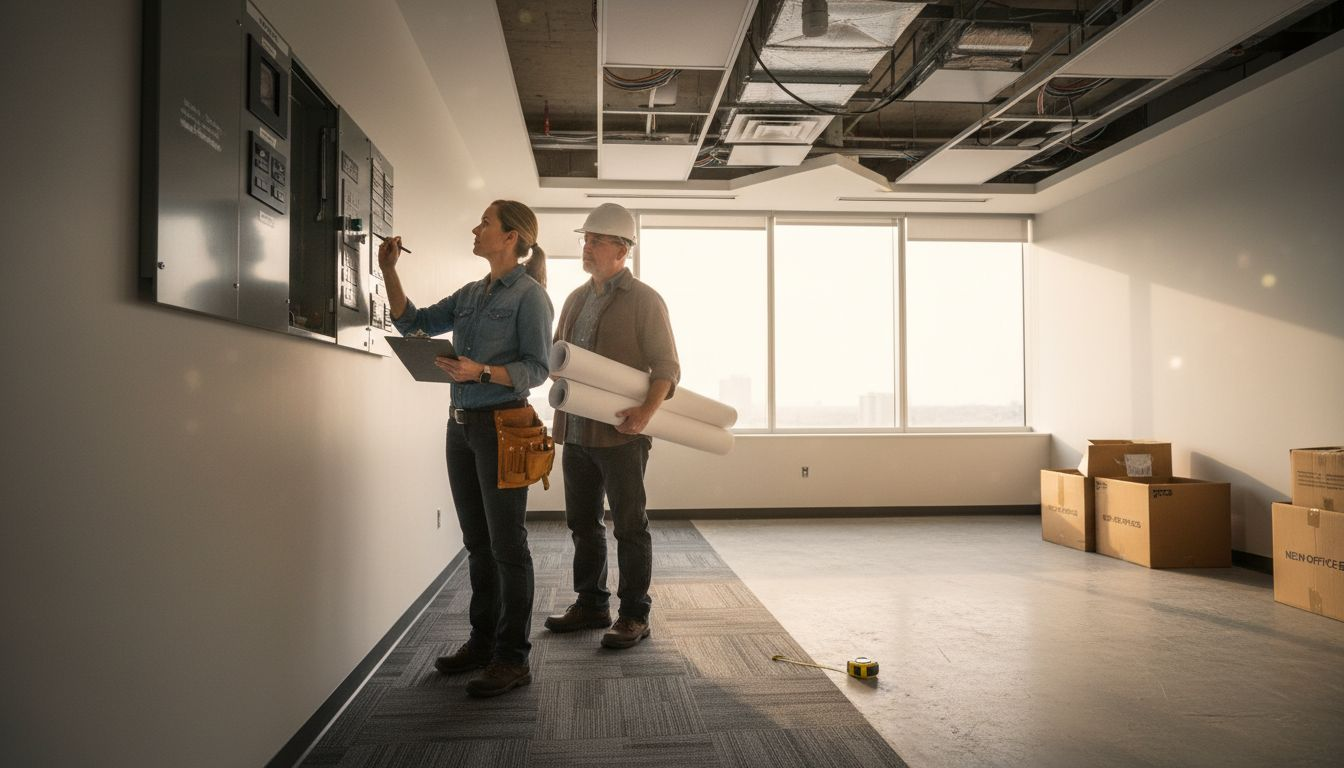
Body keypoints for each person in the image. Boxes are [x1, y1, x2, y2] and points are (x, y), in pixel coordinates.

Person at [378, 200, 553, 697]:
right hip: (461, 427)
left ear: (512, 238)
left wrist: (481, 371)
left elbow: (537, 369)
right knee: (477, 542)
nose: (476, 229)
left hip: (503, 426)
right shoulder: (472, 293)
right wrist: (390, 271)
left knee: (507, 546)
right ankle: (482, 642)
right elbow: (414, 323)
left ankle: (513, 658)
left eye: (485, 223)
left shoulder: (530, 296)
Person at [543, 203, 679, 649]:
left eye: (595, 240)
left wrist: (645, 415)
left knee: (629, 526)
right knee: (582, 522)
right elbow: (559, 356)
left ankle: (635, 615)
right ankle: (592, 603)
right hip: (576, 432)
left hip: (622, 436)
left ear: (621, 249)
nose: (586, 246)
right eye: (585, 239)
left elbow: (667, 368)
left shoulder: (645, 300)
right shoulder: (575, 299)